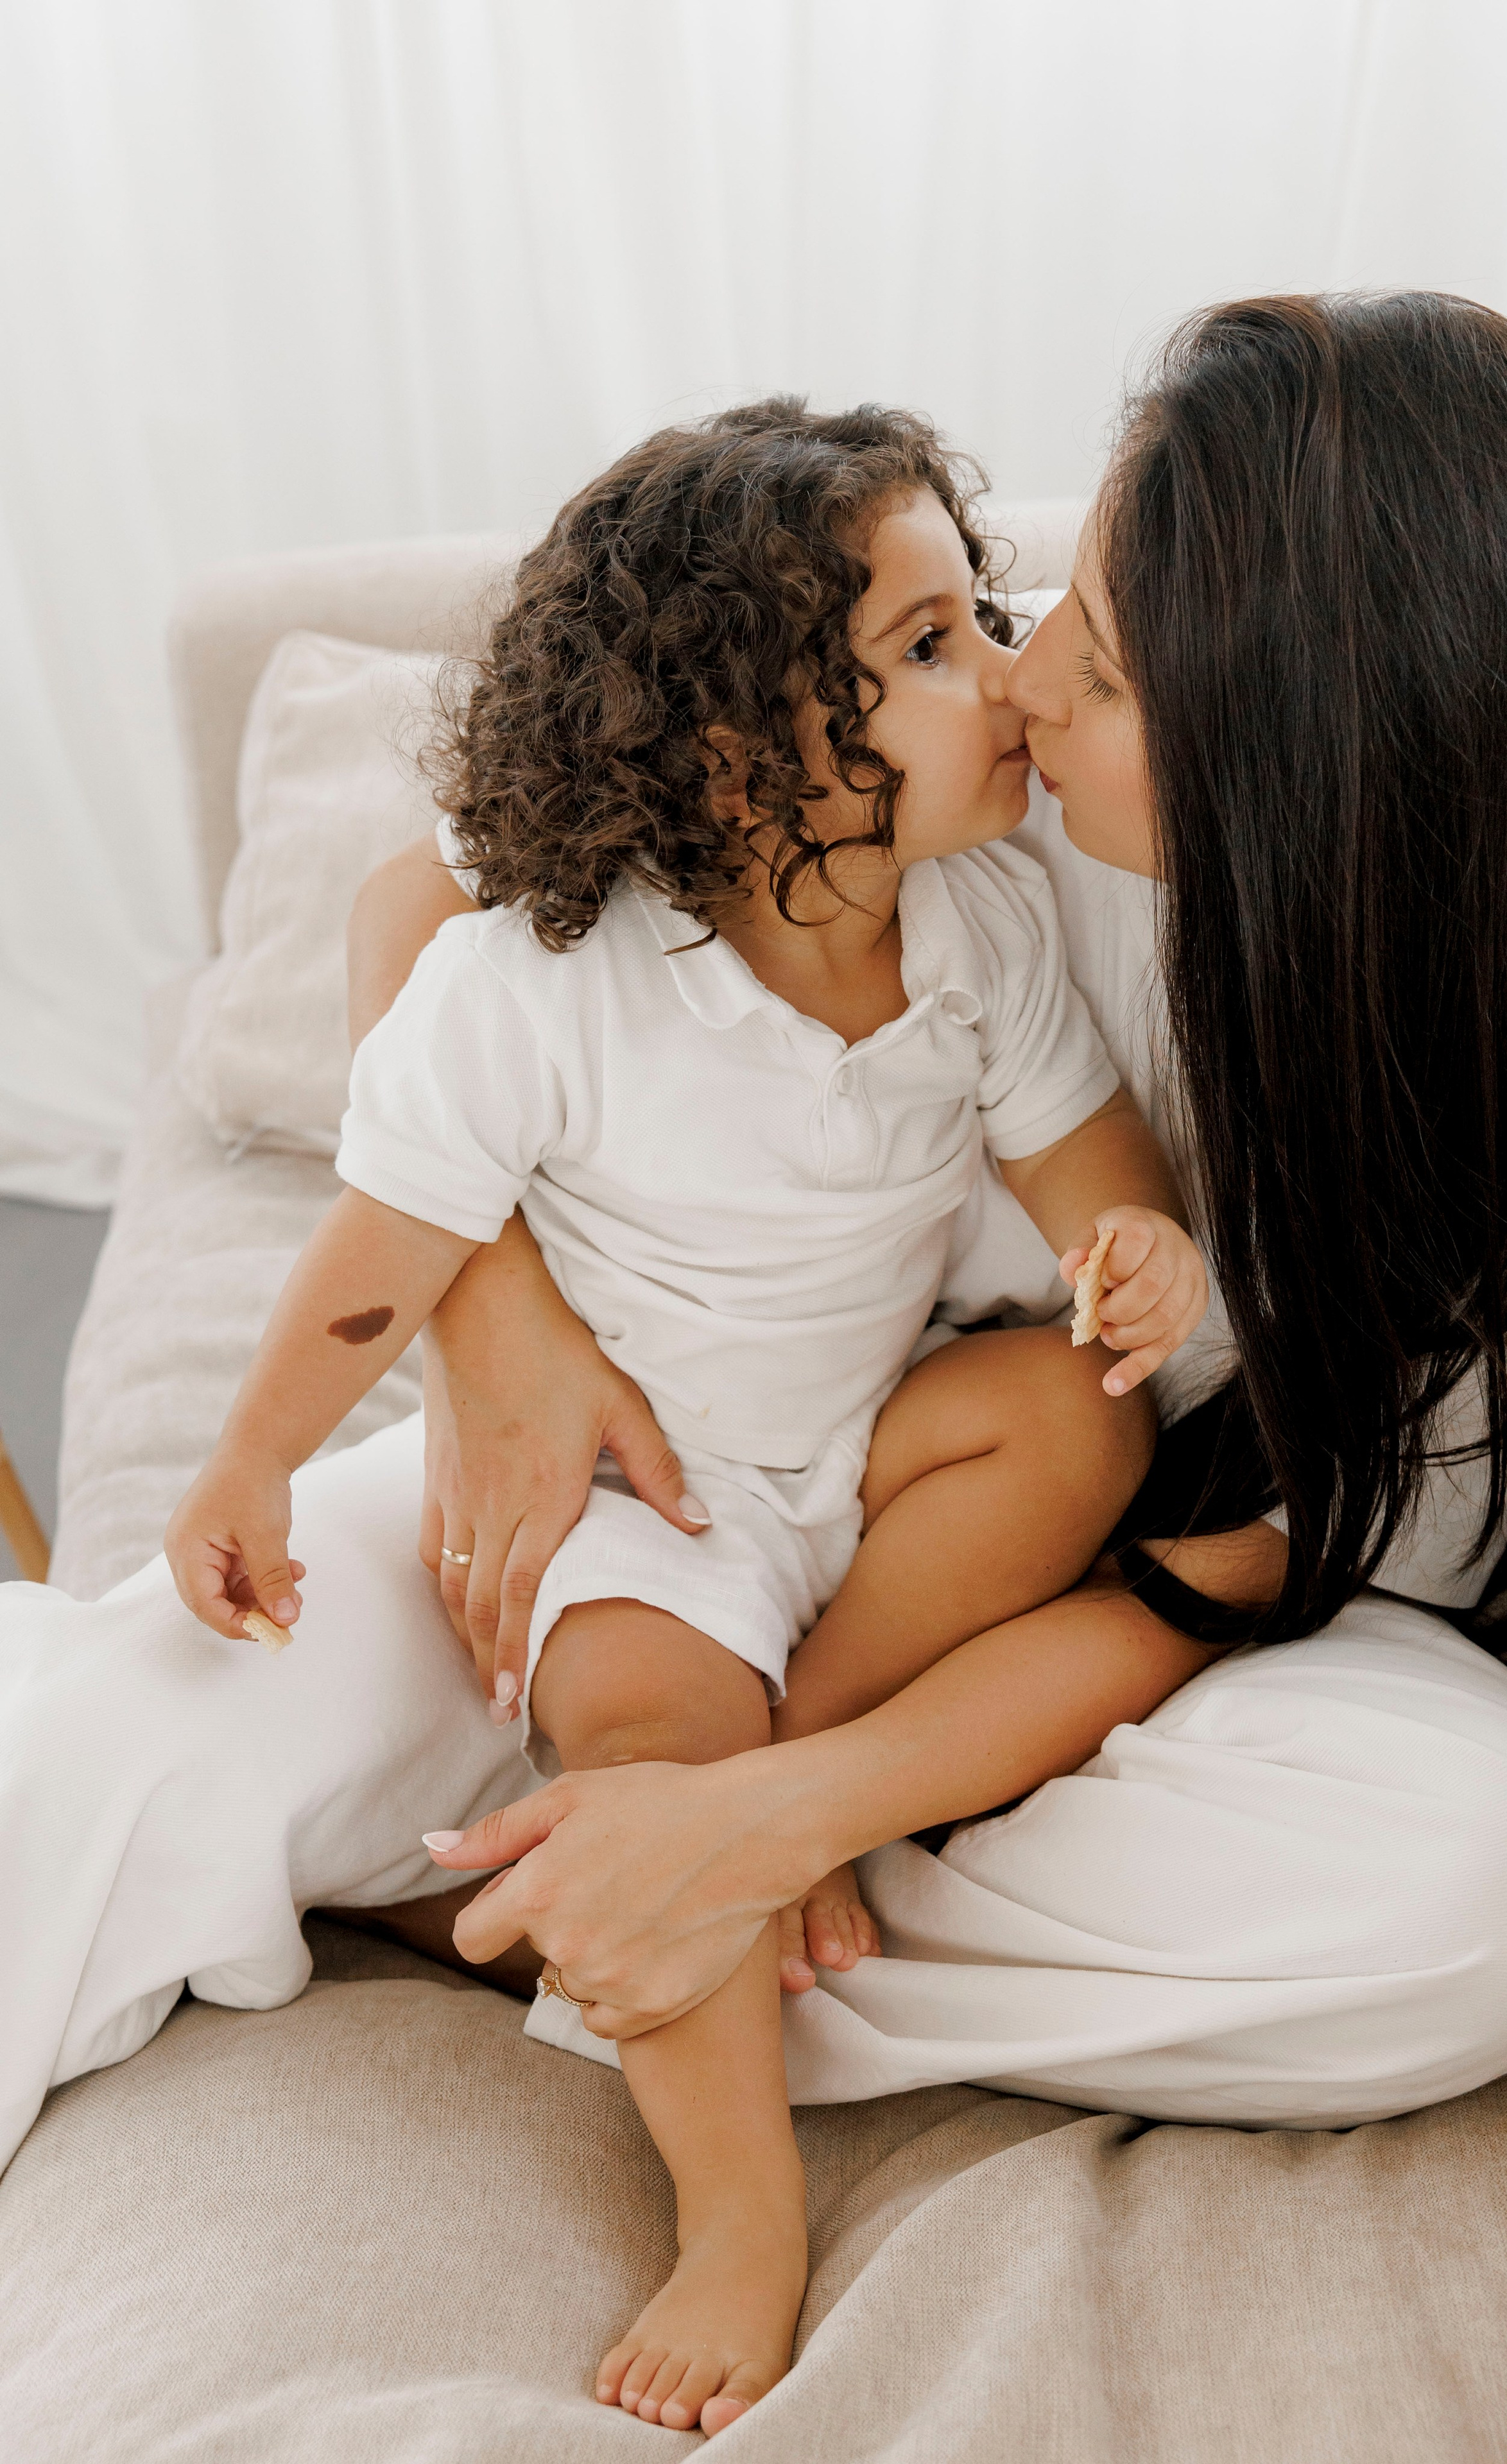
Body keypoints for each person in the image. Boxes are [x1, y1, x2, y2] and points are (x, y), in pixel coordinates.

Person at [0, 295, 1507, 2440]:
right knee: (126, 1737)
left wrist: (785, 1808)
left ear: (1309, 789)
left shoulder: (1486, 1152)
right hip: (657, 1474)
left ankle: (611, 1888)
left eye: (1105, 665)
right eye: (1039, 608)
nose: (1036, 675)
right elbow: (435, 901)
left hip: (999, 1627)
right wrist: (509, 1329)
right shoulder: (952, 785)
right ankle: (598, 1856)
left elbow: (1199, 1586)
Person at [160, 398, 1210, 2437]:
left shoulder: (980, 932)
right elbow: (379, 1251)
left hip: (860, 1441)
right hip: (657, 1494)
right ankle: (741, 2211)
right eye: (924, 653)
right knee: (653, 1717)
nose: (1001, 678)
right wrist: (250, 1456)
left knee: (1080, 1425)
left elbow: (1095, 1176)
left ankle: (762, 1803)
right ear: (743, 765)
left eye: (973, 616)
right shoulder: (551, 980)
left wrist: (1137, 1265)